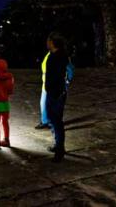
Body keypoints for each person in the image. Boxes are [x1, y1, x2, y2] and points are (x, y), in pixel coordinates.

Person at [44, 32, 69, 162]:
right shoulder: (60, 56)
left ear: (53, 43)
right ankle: (58, 145)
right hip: (57, 92)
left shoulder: (56, 57)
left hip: (55, 93)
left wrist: (51, 89)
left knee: (56, 121)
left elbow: (56, 76)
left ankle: (60, 150)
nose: (46, 43)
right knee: (54, 120)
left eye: (48, 41)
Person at [0, 53, 15, 147]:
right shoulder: (10, 77)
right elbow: (10, 91)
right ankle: (7, 139)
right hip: (6, 102)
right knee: (5, 122)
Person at [35, 50, 51, 130]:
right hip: (46, 84)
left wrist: (67, 81)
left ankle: (48, 122)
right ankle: (46, 121)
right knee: (44, 103)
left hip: (51, 85)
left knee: (47, 104)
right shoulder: (50, 54)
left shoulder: (57, 55)